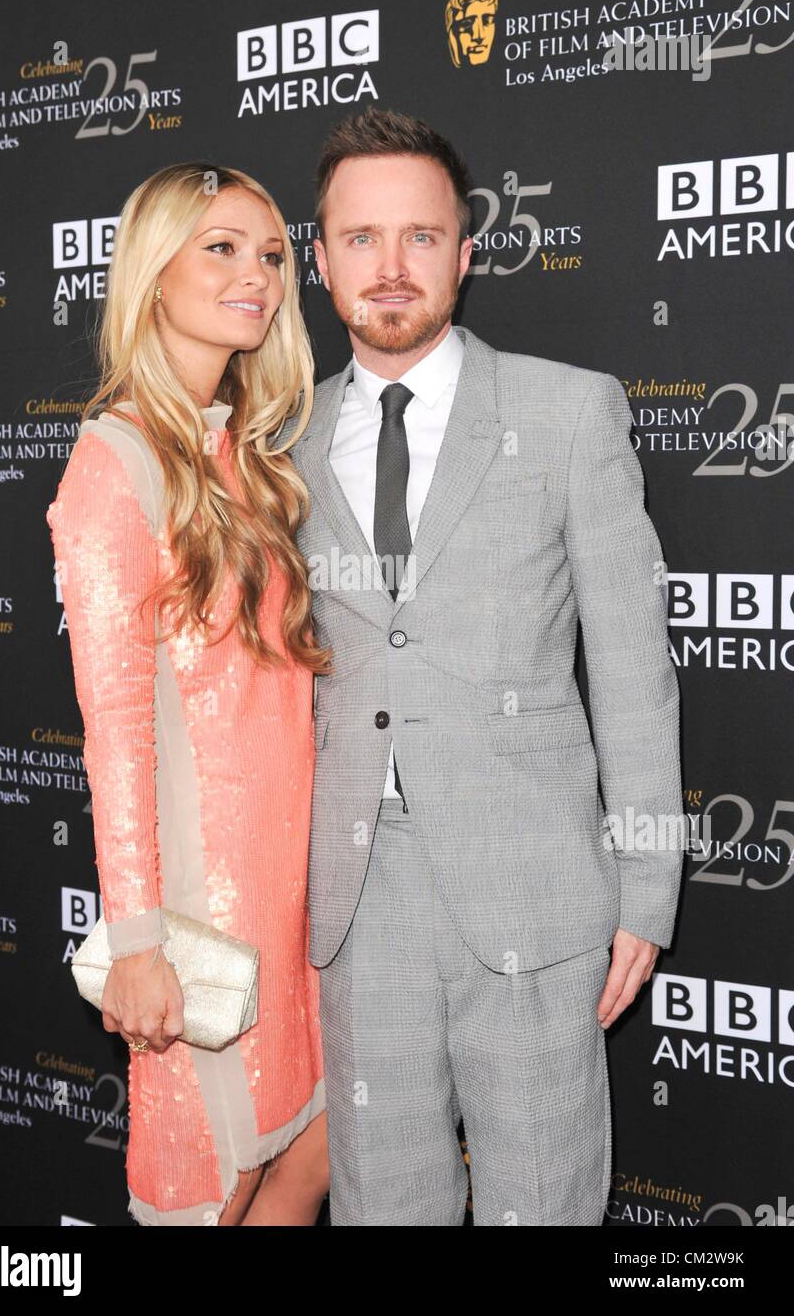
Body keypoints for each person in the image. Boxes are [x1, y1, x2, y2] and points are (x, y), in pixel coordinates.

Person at [274, 106, 685, 1226]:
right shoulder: (281, 445)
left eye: (421, 235)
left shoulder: (565, 411)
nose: (391, 267)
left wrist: (646, 884)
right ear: (320, 260)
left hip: (536, 892)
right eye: (360, 238)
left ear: (467, 249)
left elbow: (634, 662)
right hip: (361, 909)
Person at [46, 162, 331, 1226]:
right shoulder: (114, 463)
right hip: (201, 910)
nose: (255, 272)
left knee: (305, 1158)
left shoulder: (248, 457)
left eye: (268, 253)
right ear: (152, 273)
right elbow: (115, 730)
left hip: (295, 898)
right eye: (220, 246)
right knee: (211, 1191)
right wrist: (137, 944)